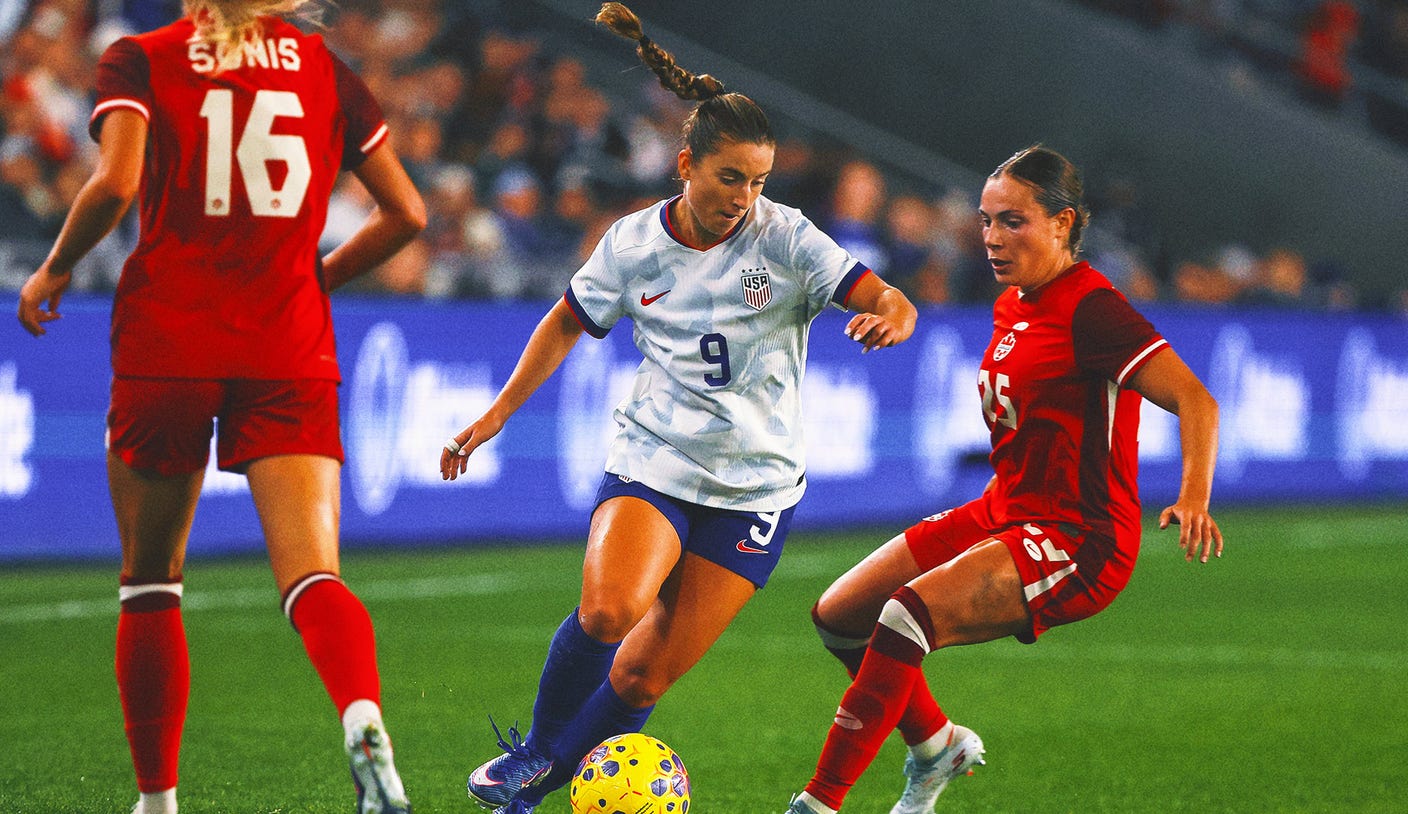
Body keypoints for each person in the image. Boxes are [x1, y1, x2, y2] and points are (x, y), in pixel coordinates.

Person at [438, 4, 917, 813]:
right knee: (608, 610)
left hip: (755, 490)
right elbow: (565, 322)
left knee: (642, 672)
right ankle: (533, 756)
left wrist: (892, 316)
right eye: (730, 177)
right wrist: (498, 414)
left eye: (759, 180)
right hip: (656, 459)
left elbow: (887, 295)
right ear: (685, 164)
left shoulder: (787, 238)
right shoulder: (632, 244)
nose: (745, 196)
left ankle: (544, 781)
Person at [15, 2, 426, 813]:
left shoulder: (142, 57)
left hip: (169, 339)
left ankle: (158, 801)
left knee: (150, 582)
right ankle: (362, 715)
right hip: (286, 344)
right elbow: (408, 214)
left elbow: (117, 182)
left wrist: (56, 265)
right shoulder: (326, 72)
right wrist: (316, 280)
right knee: (312, 574)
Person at [784, 145, 1224, 814]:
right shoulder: (1013, 303)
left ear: (1062, 222)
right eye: (986, 221)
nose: (992, 237)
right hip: (1004, 510)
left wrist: (1193, 497)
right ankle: (937, 746)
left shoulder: (1092, 308)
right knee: (840, 615)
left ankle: (818, 804)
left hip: (1078, 539)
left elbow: (1197, 399)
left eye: (1013, 221)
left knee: (905, 617)